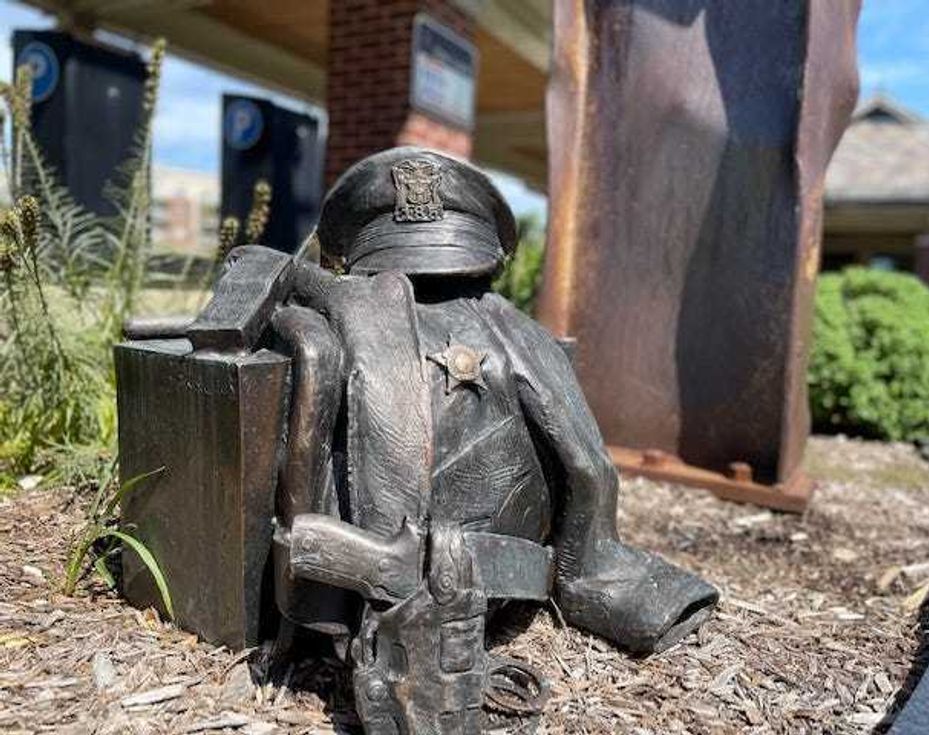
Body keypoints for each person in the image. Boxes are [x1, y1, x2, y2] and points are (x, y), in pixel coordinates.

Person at [198, 147, 717, 734]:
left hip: (441, 586)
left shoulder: (502, 335)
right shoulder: (509, 336)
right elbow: (587, 471)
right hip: (410, 593)